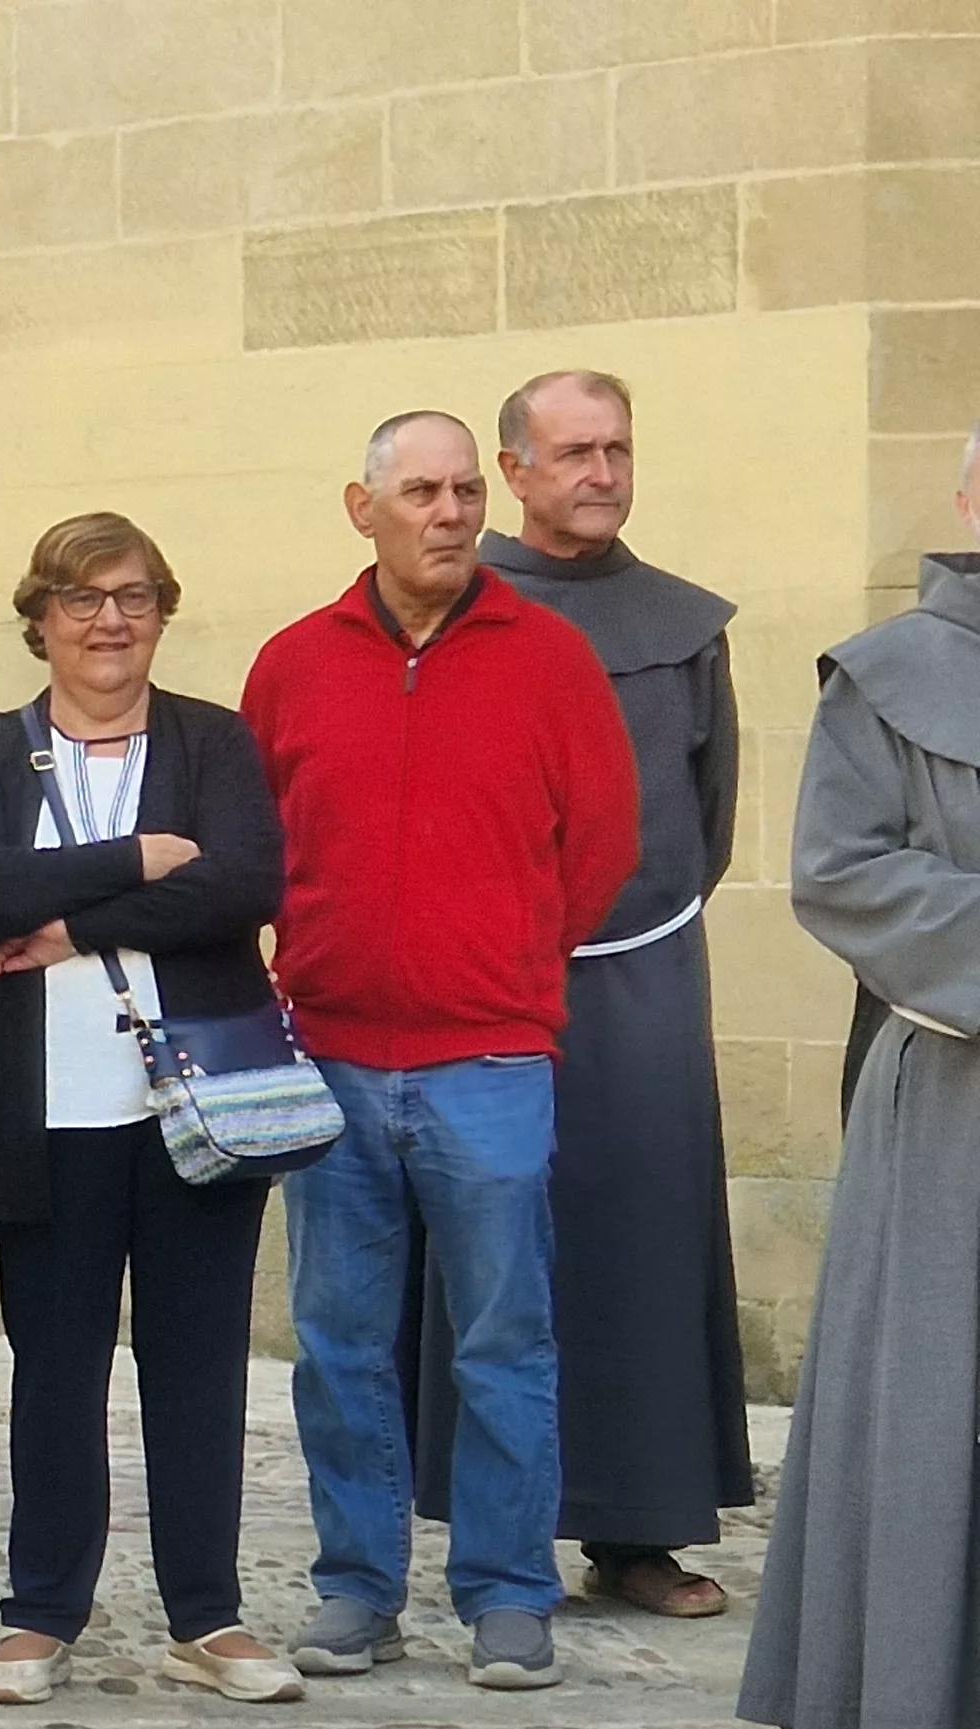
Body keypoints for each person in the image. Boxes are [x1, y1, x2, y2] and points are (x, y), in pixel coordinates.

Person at [241, 411, 638, 1692]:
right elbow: (253, 842)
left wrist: (510, 962)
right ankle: (356, 1589)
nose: (452, 512)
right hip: (332, 1060)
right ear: (362, 509)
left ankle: (508, 1590)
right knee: (339, 1345)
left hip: (489, 1063)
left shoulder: (552, 659)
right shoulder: (294, 664)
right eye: (422, 490)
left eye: (467, 489)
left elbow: (604, 847)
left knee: (501, 1344)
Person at [0, 514, 305, 1709]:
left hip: (195, 1107)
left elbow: (243, 884)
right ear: (39, 618)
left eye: (133, 597)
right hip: (42, 1118)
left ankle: (209, 1614)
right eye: (82, 600)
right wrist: (139, 862)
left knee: (196, 1367)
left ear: (160, 611)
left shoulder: (213, 741)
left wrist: (75, 925)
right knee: (56, 1367)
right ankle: (40, 1614)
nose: (109, 622)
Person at [411, 372, 755, 1620]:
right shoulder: (448, 613)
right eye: (571, 453)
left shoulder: (684, 626)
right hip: (481, 982)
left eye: (616, 449)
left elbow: (704, 822)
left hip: (645, 973)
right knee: (496, 1256)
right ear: (513, 470)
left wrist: (630, 927)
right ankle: (491, 1535)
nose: (599, 473)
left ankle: (640, 1532)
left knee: (642, 1244)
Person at [739, 432, 980, 1729]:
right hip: (954, 1097)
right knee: (932, 1407)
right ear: (967, 501)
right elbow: (840, 870)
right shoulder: (887, 674)